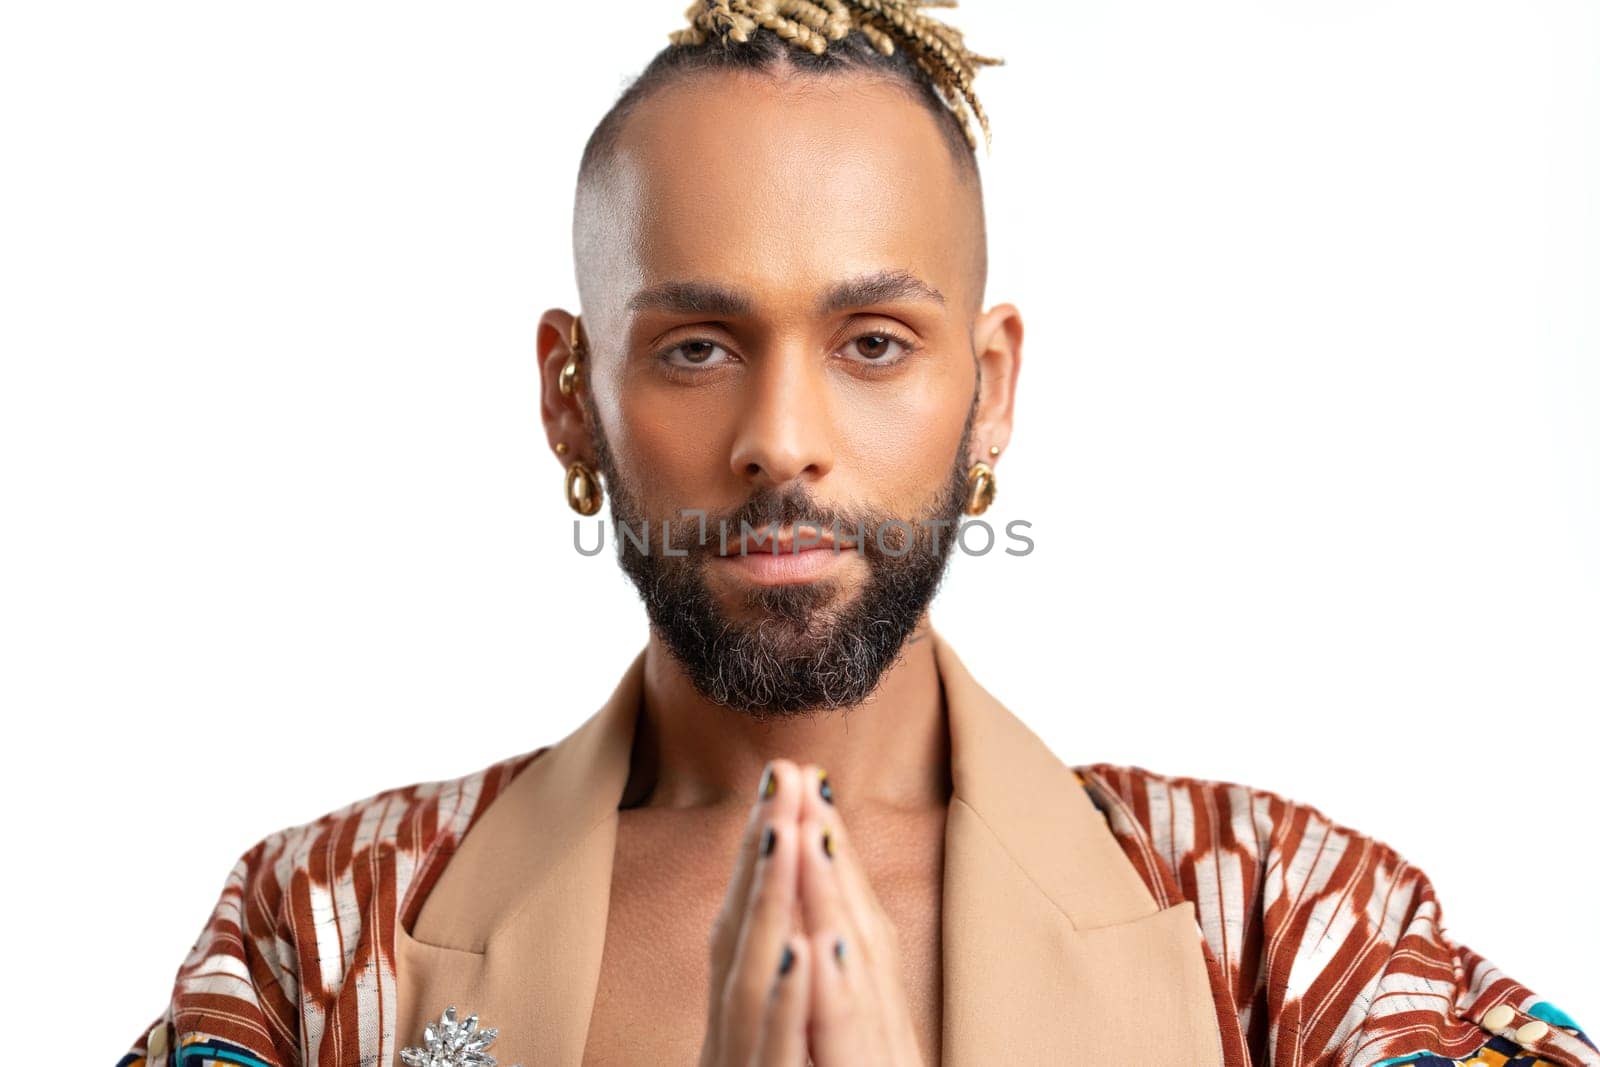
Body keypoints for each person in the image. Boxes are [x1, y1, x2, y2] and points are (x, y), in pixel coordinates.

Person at [120, 2, 1595, 1065]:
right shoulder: (321, 941)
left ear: (990, 387)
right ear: (572, 396)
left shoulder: (1288, 930)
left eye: (874, 343)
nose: (784, 435)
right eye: (697, 345)